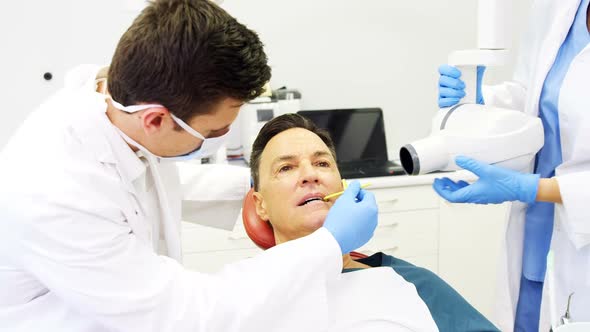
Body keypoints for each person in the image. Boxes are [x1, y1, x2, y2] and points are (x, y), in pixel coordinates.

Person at [0, 1, 378, 331]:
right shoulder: (55, 192)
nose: (309, 176)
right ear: (156, 120)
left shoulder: (120, 97)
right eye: (216, 130)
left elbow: (155, 177)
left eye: (319, 163)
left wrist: (263, 191)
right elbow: (186, 314)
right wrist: (329, 242)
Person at [248, 113, 500, 332]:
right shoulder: (243, 294)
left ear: (343, 188)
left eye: (322, 163)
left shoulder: (411, 282)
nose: (310, 175)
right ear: (261, 205)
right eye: (286, 168)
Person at [433, 1, 590, 331]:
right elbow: (534, 94)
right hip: (539, 229)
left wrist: (531, 187)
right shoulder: (558, 7)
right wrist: (481, 99)